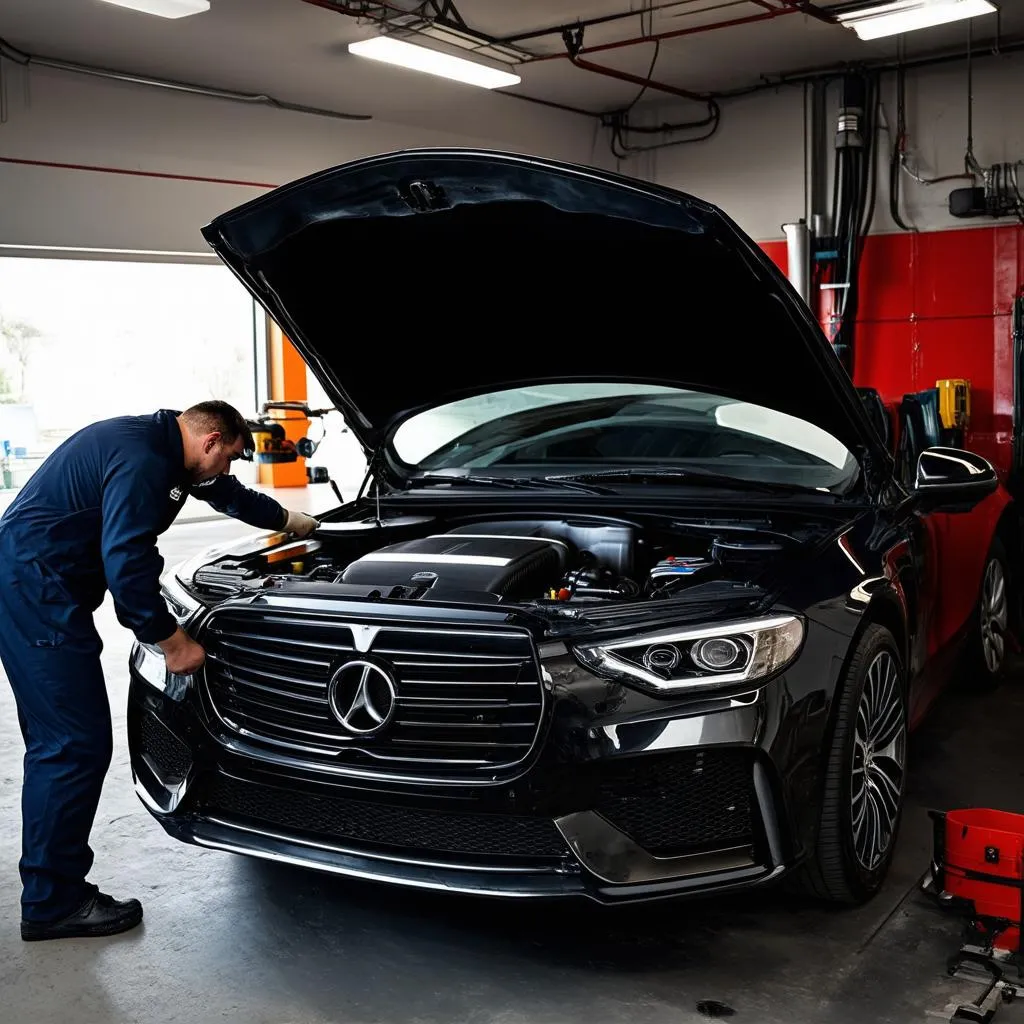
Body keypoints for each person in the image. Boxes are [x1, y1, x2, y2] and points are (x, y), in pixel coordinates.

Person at [0, 402, 320, 941]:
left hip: (36, 581)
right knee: (72, 746)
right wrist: (169, 640)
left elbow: (228, 495)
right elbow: (126, 560)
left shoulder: (172, 446)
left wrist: (293, 522)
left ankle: (48, 887)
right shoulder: (146, 459)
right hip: (37, 589)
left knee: (58, 743)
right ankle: (53, 901)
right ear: (212, 440)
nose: (228, 469)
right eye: (231, 458)